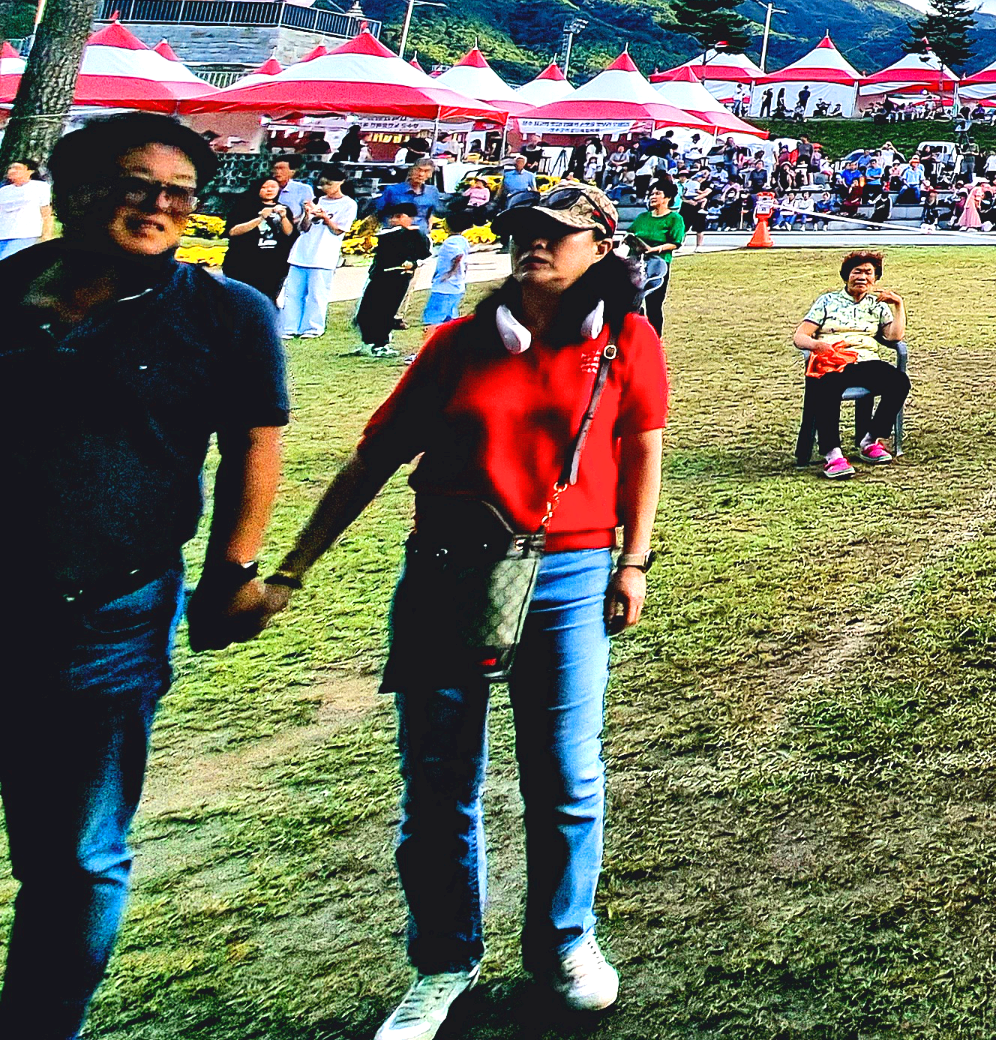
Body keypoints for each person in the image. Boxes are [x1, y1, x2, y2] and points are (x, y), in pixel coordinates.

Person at [251, 178, 666, 1033]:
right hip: (448, 571)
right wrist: (292, 568)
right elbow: (373, 459)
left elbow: (641, 451)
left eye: (556, 232)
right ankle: (443, 960)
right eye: (522, 231)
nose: (533, 243)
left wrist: (634, 559)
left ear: (600, 247)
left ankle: (564, 941)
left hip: (570, 575)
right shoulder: (458, 343)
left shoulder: (626, 340)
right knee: (438, 780)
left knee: (566, 775)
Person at [0, 114, 287, 1040]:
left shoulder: (225, 312)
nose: (160, 206)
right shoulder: (8, 288)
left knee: (75, 851)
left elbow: (254, 444)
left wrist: (233, 571)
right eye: (137, 185)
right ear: (75, 191)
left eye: (180, 194)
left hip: (108, 612)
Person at [795, 252, 907, 478]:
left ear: (875, 279)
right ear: (847, 276)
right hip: (833, 360)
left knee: (899, 382)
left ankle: (870, 440)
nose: (862, 277)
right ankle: (833, 454)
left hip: (865, 361)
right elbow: (800, 336)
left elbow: (894, 336)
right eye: (857, 272)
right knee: (827, 388)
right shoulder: (827, 301)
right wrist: (816, 345)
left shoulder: (877, 306)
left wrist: (898, 304)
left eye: (868, 273)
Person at [357, 201, 433, 361]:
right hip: (379, 276)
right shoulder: (386, 235)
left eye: (399, 216)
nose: (394, 220)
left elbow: (426, 256)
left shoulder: (417, 235)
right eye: (393, 217)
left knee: (386, 311)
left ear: (410, 218)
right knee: (367, 310)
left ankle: (381, 344)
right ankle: (367, 342)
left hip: (398, 278)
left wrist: (413, 263)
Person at [285, 173, 356, 339]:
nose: (325, 188)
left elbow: (338, 230)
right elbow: (303, 228)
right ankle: (289, 327)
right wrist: (307, 213)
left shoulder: (348, 204)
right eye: (322, 184)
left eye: (328, 183)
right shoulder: (318, 200)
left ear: (340, 182)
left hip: (323, 255)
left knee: (317, 294)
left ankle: (313, 327)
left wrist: (325, 217)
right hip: (302, 252)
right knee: (293, 293)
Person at [222, 170, 297, 311]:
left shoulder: (283, 208)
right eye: (265, 187)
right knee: (240, 299)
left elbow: (289, 233)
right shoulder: (244, 206)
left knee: (267, 300)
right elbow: (233, 231)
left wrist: (283, 217)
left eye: (273, 187)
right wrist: (260, 218)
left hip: (274, 263)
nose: (269, 190)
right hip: (245, 262)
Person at [624, 185, 683, 336]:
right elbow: (630, 233)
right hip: (636, 262)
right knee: (631, 302)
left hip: (658, 264)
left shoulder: (674, 219)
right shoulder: (642, 217)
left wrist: (655, 249)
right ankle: (635, 335)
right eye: (651, 194)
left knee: (654, 304)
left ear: (667, 198)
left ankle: (655, 338)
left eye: (657, 193)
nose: (653, 196)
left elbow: (675, 243)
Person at [419, 227, 476, 330]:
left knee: (433, 319)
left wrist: (450, 273)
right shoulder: (463, 240)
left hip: (444, 288)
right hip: (456, 287)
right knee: (450, 320)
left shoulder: (450, 242)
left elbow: (458, 255)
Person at [0, 155, 51, 259]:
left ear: (30, 172)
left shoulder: (40, 187)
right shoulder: (3, 191)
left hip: (26, 235)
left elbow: (46, 212)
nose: (12, 171)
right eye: (10, 168)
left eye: (17, 168)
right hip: (3, 235)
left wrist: (46, 234)